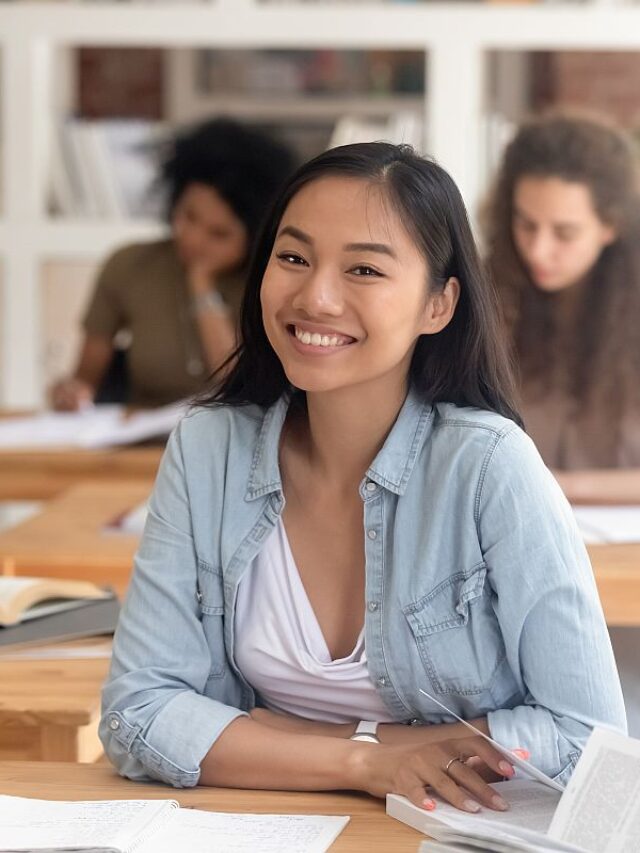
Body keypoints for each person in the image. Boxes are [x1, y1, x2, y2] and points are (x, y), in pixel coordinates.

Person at [100, 142, 625, 812]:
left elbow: (591, 739)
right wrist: (365, 758)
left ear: (438, 305)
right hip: (262, 827)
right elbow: (138, 709)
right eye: (293, 257)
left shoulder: (491, 466)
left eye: (364, 269)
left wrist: (287, 734)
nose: (315, 296)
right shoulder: (209, 447)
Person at [51, 118, 296, 410]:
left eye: (219, 234)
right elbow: (85, 379)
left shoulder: (272, 280)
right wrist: (70, 393)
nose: (193, 239)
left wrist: (201, 284)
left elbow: (236, 383)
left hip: (236, 441)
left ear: (256, 236)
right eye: (189, 216)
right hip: (142, 445)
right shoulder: (130, 265)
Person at [484, 112, 640, 505]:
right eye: (526, 224)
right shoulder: (489, 299)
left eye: (564, 233)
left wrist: (564, 486)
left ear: (611, 226)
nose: (538, 250)